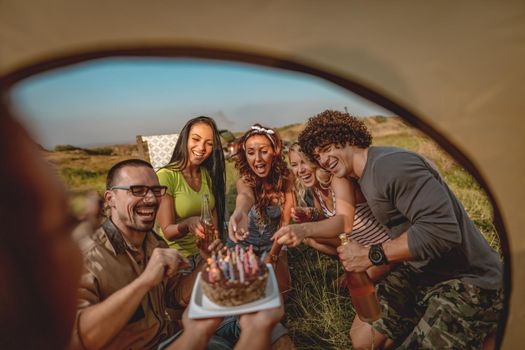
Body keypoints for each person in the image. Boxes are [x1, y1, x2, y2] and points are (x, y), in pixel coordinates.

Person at [276, 110, 503, 349]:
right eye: (317, 154)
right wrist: (309, 221)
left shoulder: (391, 165)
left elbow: (443, 231)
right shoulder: (357, 177)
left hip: (468, 279)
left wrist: (370, 254)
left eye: (328, 147)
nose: (323, 159)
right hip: (420, 271)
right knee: (365, 342)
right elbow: (341, 215)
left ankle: (493, 324)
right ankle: (429, 317)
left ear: (348, 137)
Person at [288, 142, 390, 257]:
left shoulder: (338, 179)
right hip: (356, 246)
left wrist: (303, 229)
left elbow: (344, 222)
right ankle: (348, 261)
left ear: (315, 161)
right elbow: (322, 217)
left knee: (309, 235)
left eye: (304, 162)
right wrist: (309, 213)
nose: (300, 170)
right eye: (294, 165)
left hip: (381, 247)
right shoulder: (316, 188)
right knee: (309, 239)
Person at [227, 124, 294, 293]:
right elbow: (246, 197)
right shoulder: (244, 181)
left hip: (274, 244)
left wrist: (272, 256)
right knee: (244, 293)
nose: (257, 159)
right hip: (244, 245)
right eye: (251, 153)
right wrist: (240, 212)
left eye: (263, 151)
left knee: (282, 293)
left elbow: (285, 223)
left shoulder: (286, 178)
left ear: (275, 151)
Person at [156, 116, 226, 269]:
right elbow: (167, 231)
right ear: (184, 139)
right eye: (196, 139)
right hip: (178, 259)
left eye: (209, 144)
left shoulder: (207, 174)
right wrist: (187, 224)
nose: (201, 148)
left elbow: (213, 228)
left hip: (205, 253)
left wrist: (215, 250)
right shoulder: (166, 176)